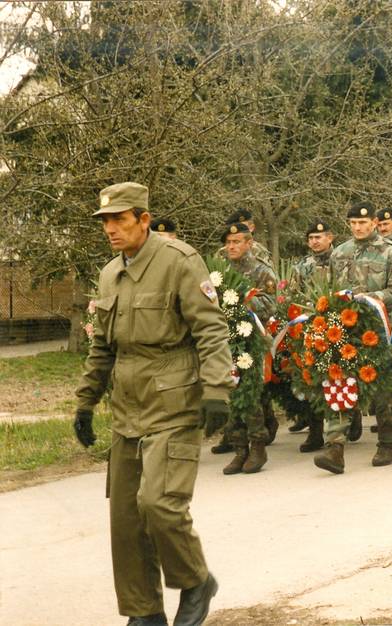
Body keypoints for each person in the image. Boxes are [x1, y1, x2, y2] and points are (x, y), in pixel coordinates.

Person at [74, 182, 232, 625]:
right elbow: (102, 348)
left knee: (159, 504)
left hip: (173, 401)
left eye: (120, 219)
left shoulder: (179, 262)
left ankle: (197, 581)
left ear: (143, 219)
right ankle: (144, 612)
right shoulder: (110, 273)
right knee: (126, 520)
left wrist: (217, 391)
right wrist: (85, 402)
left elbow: (211, 329)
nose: (111, 229)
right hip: (127, 407)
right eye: (106, 221)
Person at [313, 202, 392, 474]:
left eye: (363, 223)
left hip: (377, 327)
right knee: (338, 381)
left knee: (381, 387)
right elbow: (330, 288)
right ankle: (335, 447)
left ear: (374, 223)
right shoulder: (340, 253)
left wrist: (365, 299)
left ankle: (387, 442)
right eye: (353, 223)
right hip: (344, 328)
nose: (357, 227)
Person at [219, 222, 278, 475]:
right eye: (228, 242)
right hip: (225, 338)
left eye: (236, 242)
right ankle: (239, 448)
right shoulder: (220, 269)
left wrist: (244, 302)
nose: (231, 246)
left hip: (253, 337)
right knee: (231, 392)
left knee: (250, 394)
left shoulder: (262, 270)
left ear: (249, 243)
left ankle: (257, 447)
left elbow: (271, 304)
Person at [289, 220, 336, 451]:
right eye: (311, 238)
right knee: (311, 376)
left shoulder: (341, 259)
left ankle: (349, 419)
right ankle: (315, 431)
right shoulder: (302, 266)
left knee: (338, 374)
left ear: (330, 237)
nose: (315, 242)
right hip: (310, 325)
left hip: (336, 324)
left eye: (319, 237)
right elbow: (294, 294)